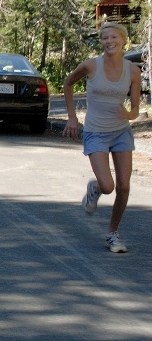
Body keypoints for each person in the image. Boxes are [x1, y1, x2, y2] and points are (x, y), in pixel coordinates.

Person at [63, 21, 141, 253]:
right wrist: (72, 118)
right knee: (108, 185)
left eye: (114, 38)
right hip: (96, 131)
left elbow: (136, 109)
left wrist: (128, 113)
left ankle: (112, 234)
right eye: (105, 38)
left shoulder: (133, 71)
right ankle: (95, 187)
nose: (110, 42)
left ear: (124, 40)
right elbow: (67, 84)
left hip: (121, 132)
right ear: (102, 42)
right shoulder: (90, 66)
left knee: (124, 187)